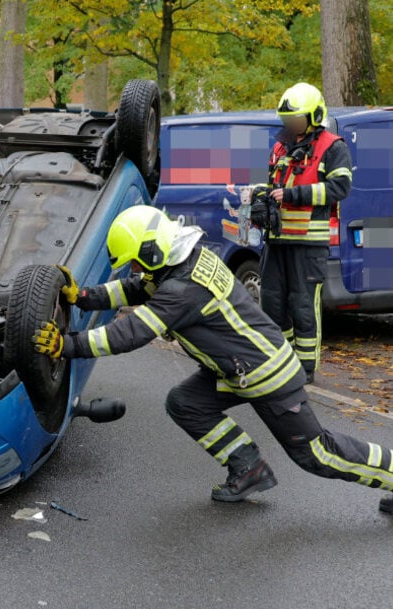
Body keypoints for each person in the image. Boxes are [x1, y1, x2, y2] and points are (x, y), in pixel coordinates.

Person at [32, 204, 393, 514]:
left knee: (317, 454)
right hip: (239, 368)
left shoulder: (182, 288)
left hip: (267, 373)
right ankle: (248, 467)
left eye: (138, 264)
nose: (137, 272)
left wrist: (67, 345)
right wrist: (82, 296)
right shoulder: (183, 262)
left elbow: (130, 333)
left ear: (154, 252)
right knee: (185, 403)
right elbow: (137, 289)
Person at [255, 83, 352, 384]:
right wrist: (261, 196)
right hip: (277, 240)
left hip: (308, 244)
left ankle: (304, 369)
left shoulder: (333, 147)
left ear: (314, 116)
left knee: (302, 306)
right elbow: (275, 186)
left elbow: (340, 188)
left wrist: (293, 195)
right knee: (272, 303)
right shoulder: (281, 145)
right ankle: (279, 360)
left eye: (296, 119)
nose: (291, 125)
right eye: (288, 120)